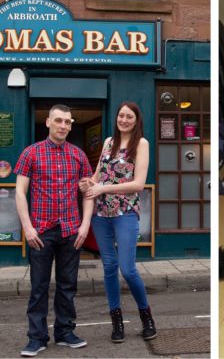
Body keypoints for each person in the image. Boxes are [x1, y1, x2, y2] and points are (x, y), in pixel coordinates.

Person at [14, 104, 94, 357]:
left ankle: (65, 332)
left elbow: (89, 192)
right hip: (41, 232)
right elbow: (19, 192)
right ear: (48, 122)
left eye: (68, 122)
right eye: (59, 120)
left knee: (67, 285)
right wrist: (27, 228)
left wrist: (85, 226)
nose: (63, 126)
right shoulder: (31, 153)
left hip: (71, 229)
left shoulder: (79, 155)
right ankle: (36, 338)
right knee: (38, 286)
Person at [80, 101, 157, 343]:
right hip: (101, 215)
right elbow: (97, 177)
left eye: (129, 117)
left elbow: (138, 184)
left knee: (128, 268)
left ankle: (146, 316)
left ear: (136, 121)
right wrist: (88, 184)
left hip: (125, 212)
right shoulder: (107, 143)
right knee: (109, 268)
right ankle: (117, 321)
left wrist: (104, 188)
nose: (124, 120)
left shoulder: (141, 144)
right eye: (121, 115)